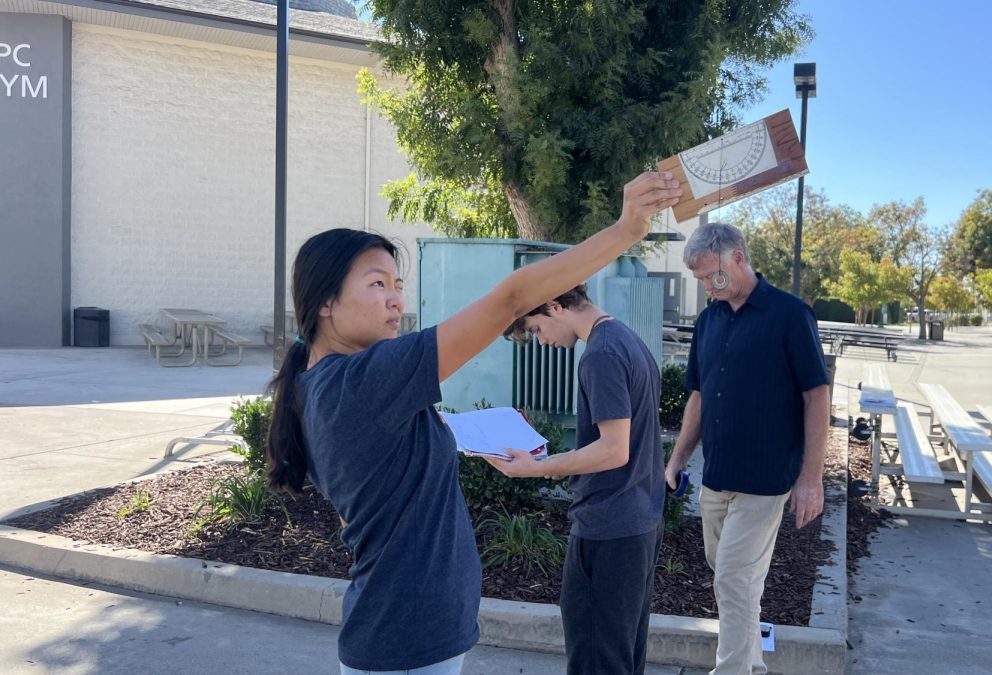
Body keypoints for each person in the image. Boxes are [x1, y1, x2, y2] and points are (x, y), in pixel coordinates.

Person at [264, 172, 681, 675]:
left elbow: (359, 508)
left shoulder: (319, 384)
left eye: (398, 284)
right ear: (324, 304)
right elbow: (508, 300)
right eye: (377, 284)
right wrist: (626, 231)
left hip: (400, 634)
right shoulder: (364, 379)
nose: (397, 298)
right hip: (408, 642)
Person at [663, 222, 829, 675]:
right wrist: (677, 458)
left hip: (766, 477)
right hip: (717, 478)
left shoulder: (789, 314)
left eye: (710, 275)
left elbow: (817, 395)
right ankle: (753, 667)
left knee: (734, 580)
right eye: (698, 279)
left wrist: (811, 480)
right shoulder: (708, 320)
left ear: (737, 258)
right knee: (737, 583)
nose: (705, 286)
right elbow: (697, 396)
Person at [485, 284, 664, 675]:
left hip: (608, 527)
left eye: (535, 329)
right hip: (637, 524)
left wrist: (538, 466)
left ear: (554, 304)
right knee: (621, 658)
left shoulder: (600, 355)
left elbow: (614, 450)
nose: (542, 342)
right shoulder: (625, 339)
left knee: (596, 660)